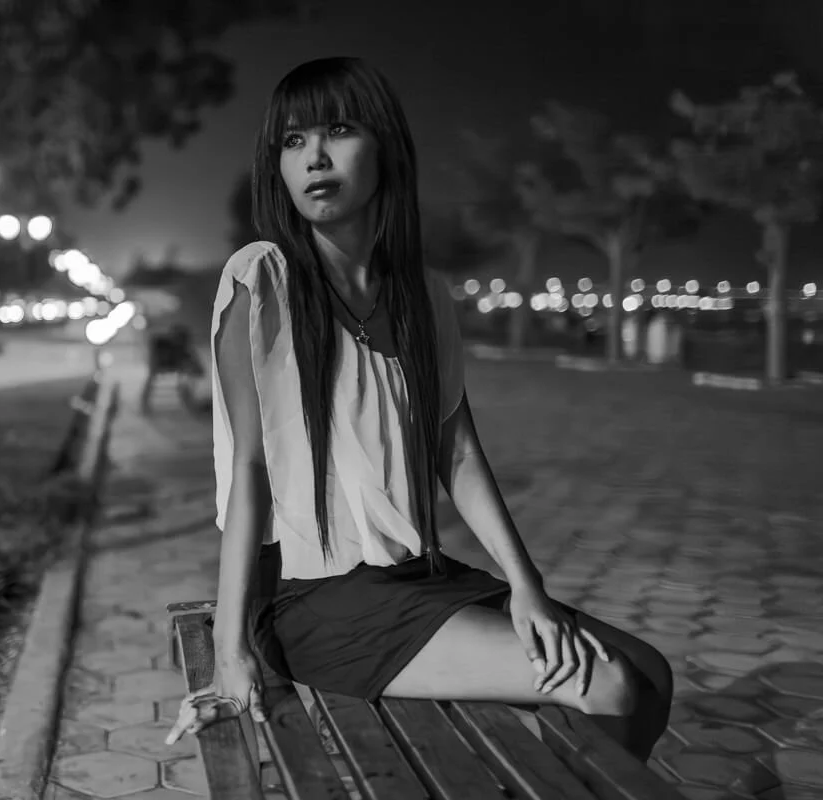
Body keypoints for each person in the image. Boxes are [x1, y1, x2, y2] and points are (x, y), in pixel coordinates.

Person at [165, 57, 672, 761]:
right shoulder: (265, 279)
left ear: (385, 146)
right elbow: (246, 472)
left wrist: (529, 586)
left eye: (337, 130)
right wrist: (230, 652)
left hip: (416, 578)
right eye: (292, 140)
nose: (313, 156)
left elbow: (456, 452)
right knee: (608, 685)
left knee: (651, 673)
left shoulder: (423, 295)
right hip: (318, 601)